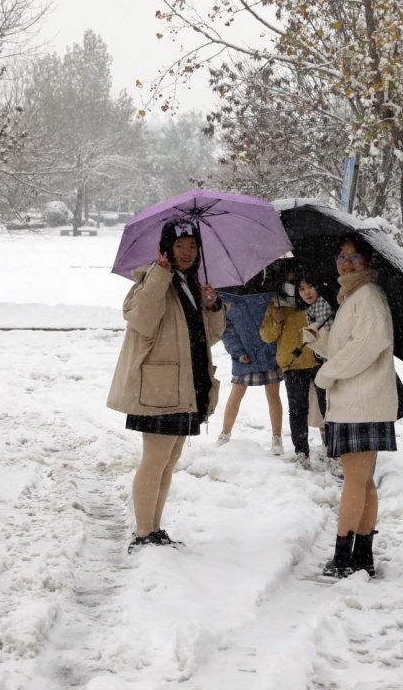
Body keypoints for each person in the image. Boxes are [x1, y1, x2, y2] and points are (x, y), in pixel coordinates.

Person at [107, 219, 226, 552]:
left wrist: (212, 306)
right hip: (160, 388)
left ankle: (155, 529)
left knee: (169, 461)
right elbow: (141, 320)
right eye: (179, 247)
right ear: (166, 250)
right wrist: (159, 272)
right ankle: (143, 533)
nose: (187, 253)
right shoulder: (152, 280)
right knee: (154, 460)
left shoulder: (189, 284)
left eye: (192, 247)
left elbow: (209, 336)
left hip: (184, 386)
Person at [307, 235, 397, 578]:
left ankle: (344, 557)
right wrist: (322, 342)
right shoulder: (354, 297)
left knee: (355, 483)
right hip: (361, 402)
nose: (346, 262)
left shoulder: (368, 297)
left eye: (355, 256)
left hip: (361, 402)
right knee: (364, 483)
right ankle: (362, 556)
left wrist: (326, 374)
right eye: (342, 256)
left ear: (368, 262)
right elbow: (351, 346)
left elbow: (369, 345)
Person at [261, 269, 327, 466]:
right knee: (297, 409)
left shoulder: (314, 300)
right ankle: (302, 452)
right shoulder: (276, 304)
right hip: (292, 363)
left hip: (318, 360)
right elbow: (266, 336)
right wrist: (276, 321)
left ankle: (333, 449)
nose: (303, 290)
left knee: (327, 407)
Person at [216, 289, 285, 454]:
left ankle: (277, 438)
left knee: (274, 396)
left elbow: (276, 319)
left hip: (269, 353)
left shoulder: (267, 291)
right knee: (236, 395)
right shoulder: (227, 297)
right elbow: (227, 331)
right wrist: (238, 352)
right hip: (245, 356)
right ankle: (225, 434)